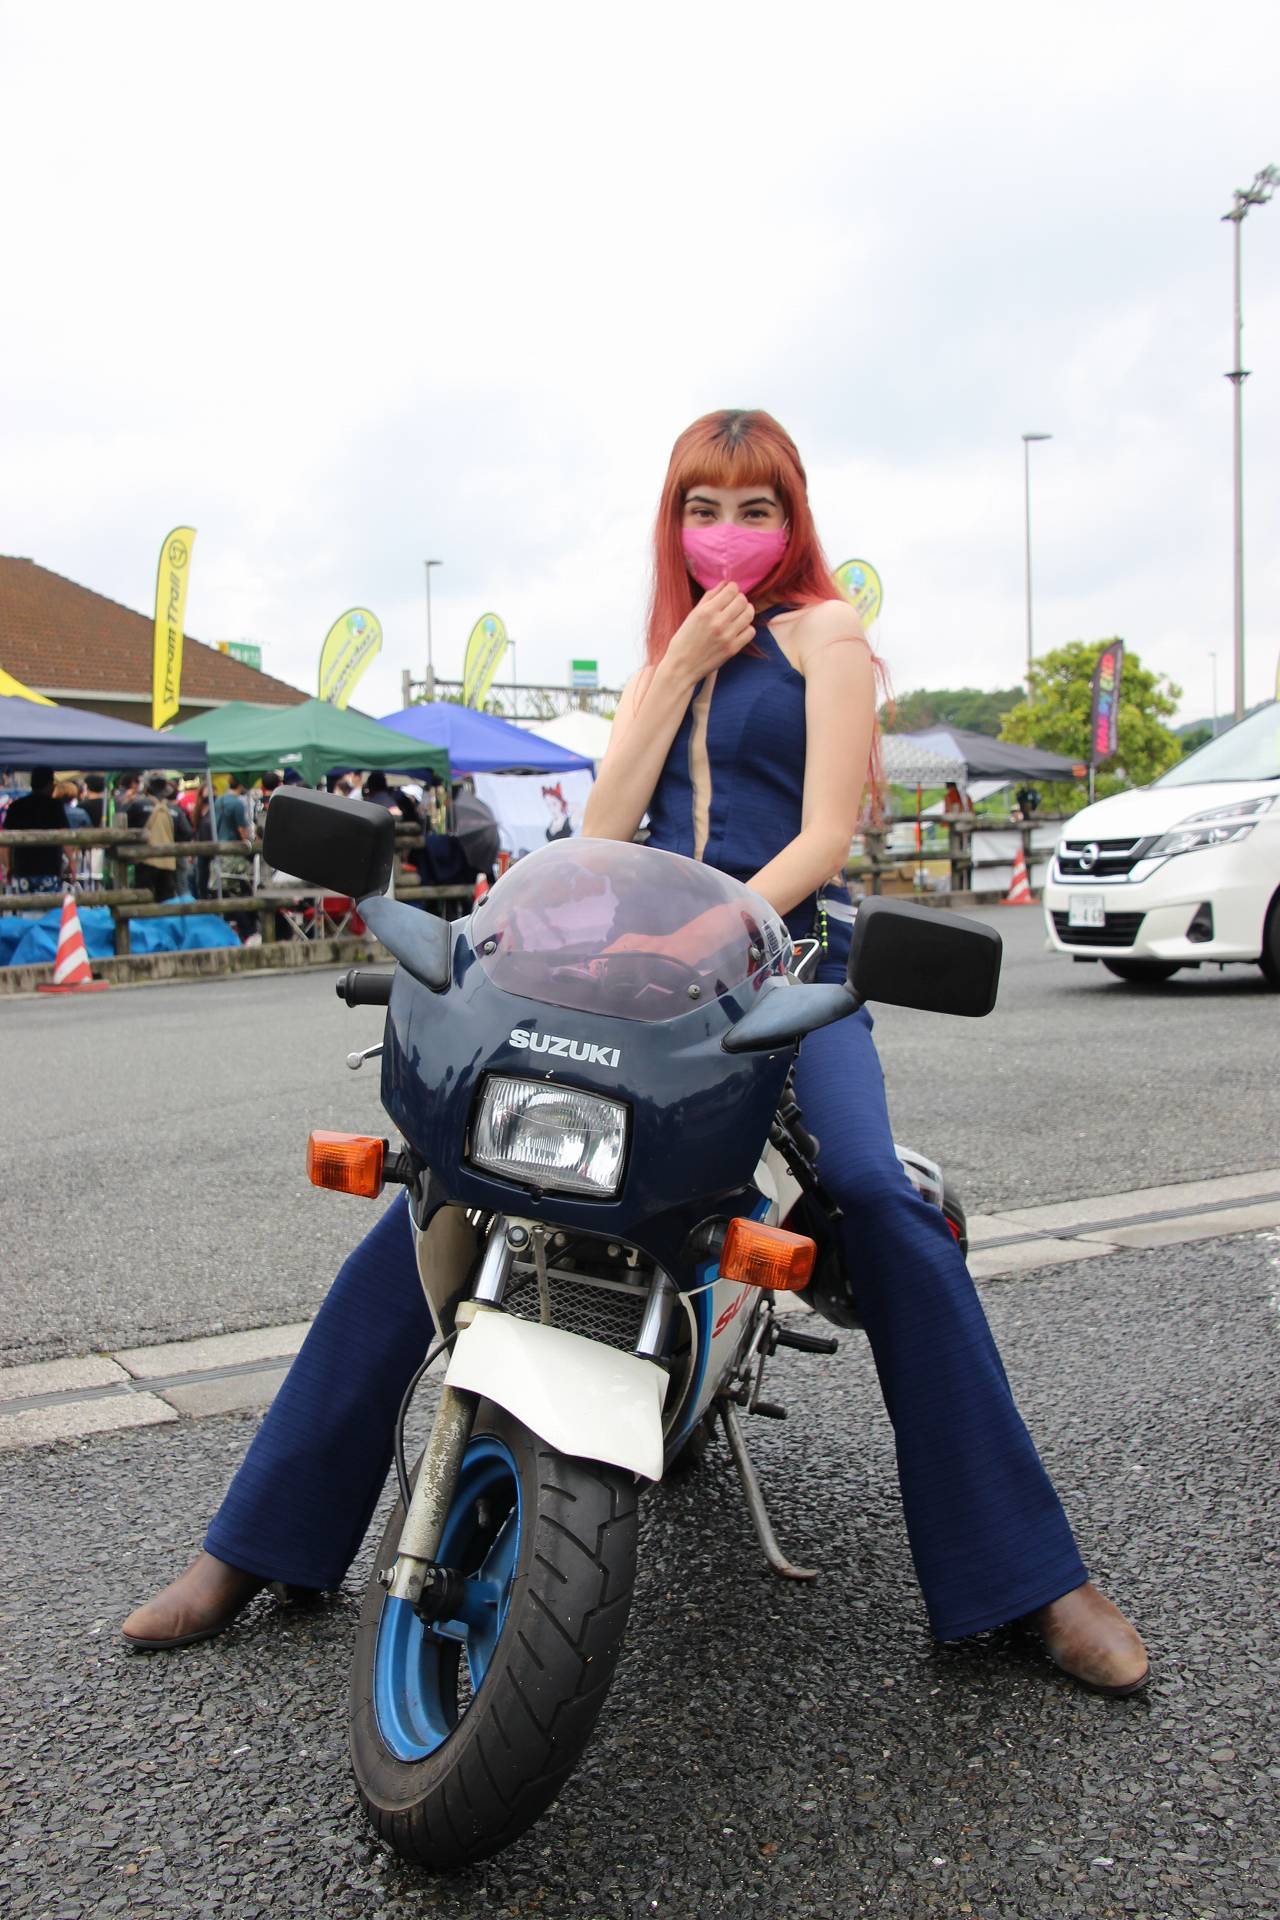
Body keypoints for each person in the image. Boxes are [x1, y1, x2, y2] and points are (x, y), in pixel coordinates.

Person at [122, 409, 1147, 1697]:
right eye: (701, 508)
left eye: (755, 509)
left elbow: (824, 834)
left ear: (792, 520)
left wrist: (719, 934)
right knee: (443, 1183)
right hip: (639, 956)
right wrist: (675, 673)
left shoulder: (826, 635)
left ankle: (1030, 1578)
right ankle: (256, 1543)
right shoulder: (673, 647)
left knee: (875, 1200)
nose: (727, 532)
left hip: (786, 959)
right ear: (673, 523)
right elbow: (603, 830)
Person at [3, 765, 69, 893]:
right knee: (50, 903)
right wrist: (71, 861)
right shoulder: (54, 806)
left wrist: (8, 866)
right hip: (50, 867)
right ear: (49, 784)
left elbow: (5, 842)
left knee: (24, 903)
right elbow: (65, 834)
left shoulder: (16, 806)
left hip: (22, 867)